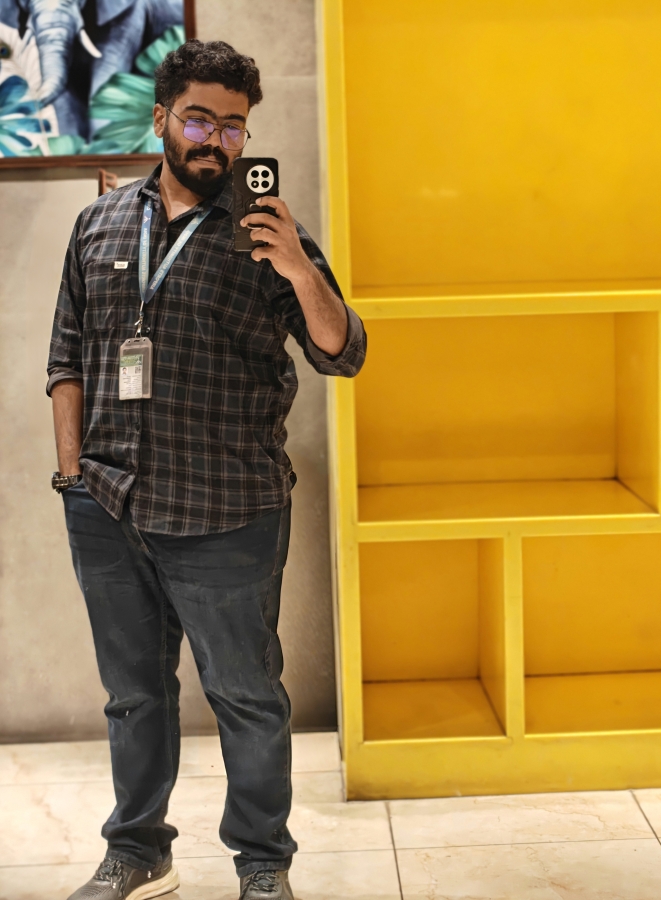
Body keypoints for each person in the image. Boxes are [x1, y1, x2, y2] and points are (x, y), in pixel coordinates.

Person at [47, 39, 366, 900]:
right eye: (198, 119)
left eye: (233, 126)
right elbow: (66, 356)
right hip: (108, 505)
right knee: (133, 697)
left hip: (227, 512)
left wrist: (296, 265)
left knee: (246, 696)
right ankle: (138, 851)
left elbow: (342, 353)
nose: (215, 140)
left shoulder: (267, 234)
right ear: (161, 118)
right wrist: (73, 477)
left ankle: (262, 864)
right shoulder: (99, 224)